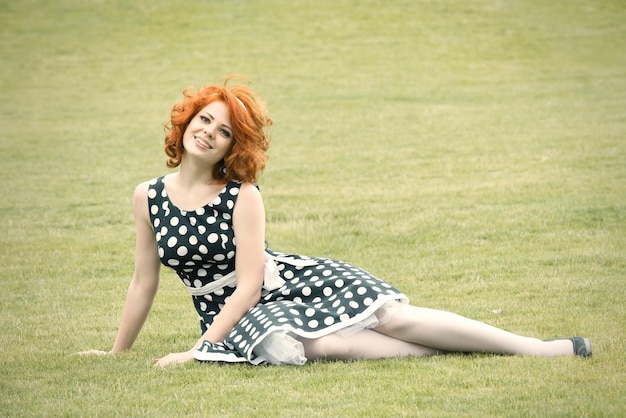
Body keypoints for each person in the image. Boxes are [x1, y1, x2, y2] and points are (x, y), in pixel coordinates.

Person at [80, 77, 591, 366]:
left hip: (280, 287)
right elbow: (143, 282)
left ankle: (538, 349)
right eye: (205, 120)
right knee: (324, 345)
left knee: (388, 317)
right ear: (186, 120)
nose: (209, 132)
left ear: (237, 147)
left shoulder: (242, 195)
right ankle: (451, 352)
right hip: (228, 309)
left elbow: (250, 285)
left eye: (226, 131)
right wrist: (116, 352)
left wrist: (199, 351)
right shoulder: (147, 196)